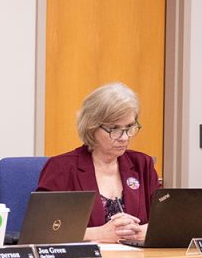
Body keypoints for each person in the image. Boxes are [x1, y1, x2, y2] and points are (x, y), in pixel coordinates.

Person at [36, 82, 159, 244]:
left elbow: (166, 219)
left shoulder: (142, 164)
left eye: (129, 127)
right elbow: (42, 230)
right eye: (114, 129)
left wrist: (148, 230)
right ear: (91, 127)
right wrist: (96, 234)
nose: (124, 137)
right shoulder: (61, 168)